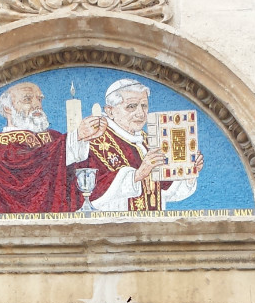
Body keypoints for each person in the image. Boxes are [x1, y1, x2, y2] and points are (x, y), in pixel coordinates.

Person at [0, 81, 106, 214]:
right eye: (27, 99)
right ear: (8, 108)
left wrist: (88, 136)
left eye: (39, 99)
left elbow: (76, 172)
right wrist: (77, 136)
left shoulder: (53, 138)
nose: (37, 105)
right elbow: (30, 167)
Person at [84, 79, 204, 213]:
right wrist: (139, 174)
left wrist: (190, 172)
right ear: (110, 111)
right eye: (131, 106)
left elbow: (166, 191)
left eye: (144, 106)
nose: (140, 113)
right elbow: (93, 195)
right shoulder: (95, 143)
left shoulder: (149, 141)